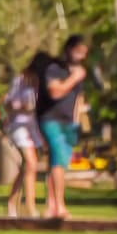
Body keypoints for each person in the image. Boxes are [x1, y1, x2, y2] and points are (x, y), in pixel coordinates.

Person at [36, 34, 90, 220]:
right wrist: (74, 78)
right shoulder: (55, 69)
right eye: (78, 52)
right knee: (58, 161)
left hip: (69, 123)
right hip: (51, 120)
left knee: (58, 163)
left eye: (84, 53)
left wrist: (77, 121)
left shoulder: (78, 73)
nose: (81, 57)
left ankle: (51, 206)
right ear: (69, 49)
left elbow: (78, 98)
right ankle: (60, 206)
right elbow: (55, 92)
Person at [2, 55, 44, 218]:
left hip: (33, 128)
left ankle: (11, 203)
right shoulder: (19, 81)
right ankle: (30, 207)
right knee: (31, 163)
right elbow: (7, 103)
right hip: (18, 126)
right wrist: (19, 107)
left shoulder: (41, 84)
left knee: (27, 167)